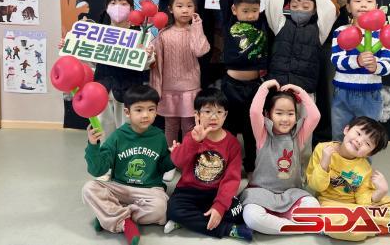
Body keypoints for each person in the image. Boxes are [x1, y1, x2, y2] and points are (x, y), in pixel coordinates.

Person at [289, 0, 355, 143]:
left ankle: (323, 143)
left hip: (330, 38)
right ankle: (291, 140)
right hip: (299, 36)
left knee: (326, 93)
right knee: (296, 91)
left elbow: (338, 1)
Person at [82, 85, 173, 245]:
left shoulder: (159, 136)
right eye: (139, 110)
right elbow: (97, 170)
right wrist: (93, 146)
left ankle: (110, 216)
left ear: (156, 111)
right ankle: (124, 222)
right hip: (120, 187)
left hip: (148, 190)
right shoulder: (118, 136)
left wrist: (174, 156)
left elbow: (163, 167)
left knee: (161, 209)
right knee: (89, 188)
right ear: (127, 112)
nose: (145, 115)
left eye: (151, 109)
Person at [266, 0, 337, 167]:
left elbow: (329, 7)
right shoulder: (280, 23)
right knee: (276, 131)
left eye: (306, 6)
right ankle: (274, 169)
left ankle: (302, 170)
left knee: (304, 135)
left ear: (314, 9)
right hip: (280, 91)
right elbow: (273, 1)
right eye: (295, 6)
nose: (300, 10)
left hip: (304, 92)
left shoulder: (320, 29)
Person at [165, 88, 252, 241]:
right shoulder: (191, 136)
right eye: (207, 111)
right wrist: (195, 141)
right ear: (197, 115)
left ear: (225, 115)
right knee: (173, 209)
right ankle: (227, 229)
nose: (214, 117)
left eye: (219, 112)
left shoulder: (232, 143)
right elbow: (178, 161)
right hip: (189, 191)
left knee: (238, 211)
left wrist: (219, 206)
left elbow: (231, 179)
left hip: (215, 192)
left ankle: (189, 222)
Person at [306, 116, 390, 241]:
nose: (359, 141)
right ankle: (372, 226)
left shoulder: (365, 168)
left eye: (367, 143)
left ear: (369, 153)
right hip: (330, 204)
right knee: (349, 229)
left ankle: (363, 224)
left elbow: (362, 199)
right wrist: (324, 163)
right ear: (346, 130)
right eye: (358, 133)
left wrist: (380, 192)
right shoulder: (323, 149)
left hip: (356, 207)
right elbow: (316, 186)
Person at [70, 0, 154, 138]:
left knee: (128, 131)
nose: (118, 8)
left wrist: (147, 55)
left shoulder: (141, 34)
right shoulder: (98, 32)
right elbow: (89, 61)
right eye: (113, 3)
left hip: (129, 90)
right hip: (102, 89)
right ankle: (105, 154)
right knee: (104, 131)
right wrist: (72, 44)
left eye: (123, 4)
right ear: (107, 8)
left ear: (131, 8)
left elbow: (148, 64)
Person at [240, 79, 321, 235]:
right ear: (268, 114)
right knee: (251, 217)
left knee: (313, 206)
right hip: (262, 192)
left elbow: (315, 116)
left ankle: (281, 224)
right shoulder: (263, 134)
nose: (285, 119)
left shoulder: (298, 136)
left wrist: (301, 92)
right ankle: (295, 227)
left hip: (292, 193)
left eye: (290, 114)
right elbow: (254, 112)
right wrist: (264, 87)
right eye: (279, 113)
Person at [150, 0, 210, 181]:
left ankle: (188, 160)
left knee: (189, 126)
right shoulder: (163, 34)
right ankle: (171, 161)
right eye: (180, 6)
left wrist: (197, 26)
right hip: (168, 88)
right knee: (170, 126)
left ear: (195, 9)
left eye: (189, 6)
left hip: (190, 87)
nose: (185, 10)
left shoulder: (195, 31)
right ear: (170, 9)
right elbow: (154, 62)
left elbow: (200, 50)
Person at [331, 0, 390, 141]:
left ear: (377, 7)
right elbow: (336, 60)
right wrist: (357, 61)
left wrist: (377, 66)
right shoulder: (341, 31)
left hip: (370, 94)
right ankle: (338, 158)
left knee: (368, 137)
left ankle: (364, 159)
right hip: (342, 92)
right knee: (339, 134)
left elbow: (389, 63)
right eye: (358, 0)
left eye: (369, 1)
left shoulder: (384, 33)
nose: (363, 5)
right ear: (348, 6)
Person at [219, 0, 269, 175]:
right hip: (231, 86)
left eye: (254, 10)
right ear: (235, 9)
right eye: (245, 11)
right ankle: (228, 165)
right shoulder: (229, 21)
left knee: (251, 128)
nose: (250, 15)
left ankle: (251, 167)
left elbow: (273, 4)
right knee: (229, 127)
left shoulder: (262, 22)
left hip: (255, 86)